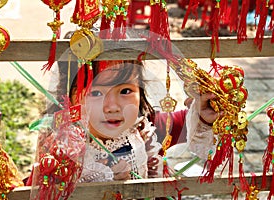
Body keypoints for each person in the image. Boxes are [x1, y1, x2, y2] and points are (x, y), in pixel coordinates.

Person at [67, 59, 219, 182]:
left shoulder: (144, 129)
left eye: (125, 91)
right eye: (96, 93)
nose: (112, 107)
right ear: (71, 99)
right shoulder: (63, 147)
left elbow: (186, 123)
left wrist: (202, 114)